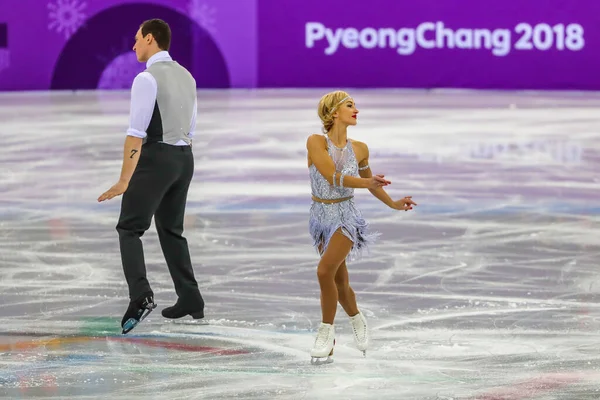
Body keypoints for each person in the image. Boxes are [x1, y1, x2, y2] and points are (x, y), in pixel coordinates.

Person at [97, 19, 204, 334]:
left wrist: (124, 180)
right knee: (171, 230)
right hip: (184, 159)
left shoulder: (146, 79)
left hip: (157, 158)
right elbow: (191, 128)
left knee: (129, 228)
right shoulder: (187, 76)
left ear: (150, 38)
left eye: (137, 40)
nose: (134, 47)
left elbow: (135, 134)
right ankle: (190, 297)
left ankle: (140, 296)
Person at [306, 90, 416, 364]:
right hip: (320, 216)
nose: (357, 110)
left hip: (346, 216)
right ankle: (357, 318)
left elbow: (371, 182)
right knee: (339, 281)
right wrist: (367, 183)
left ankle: (325, 332)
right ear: (333, 112)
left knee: (324, 271)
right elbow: (332, 176)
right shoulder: (315, 142)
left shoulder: (360, 148)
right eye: (350, 106)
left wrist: (392, 203)